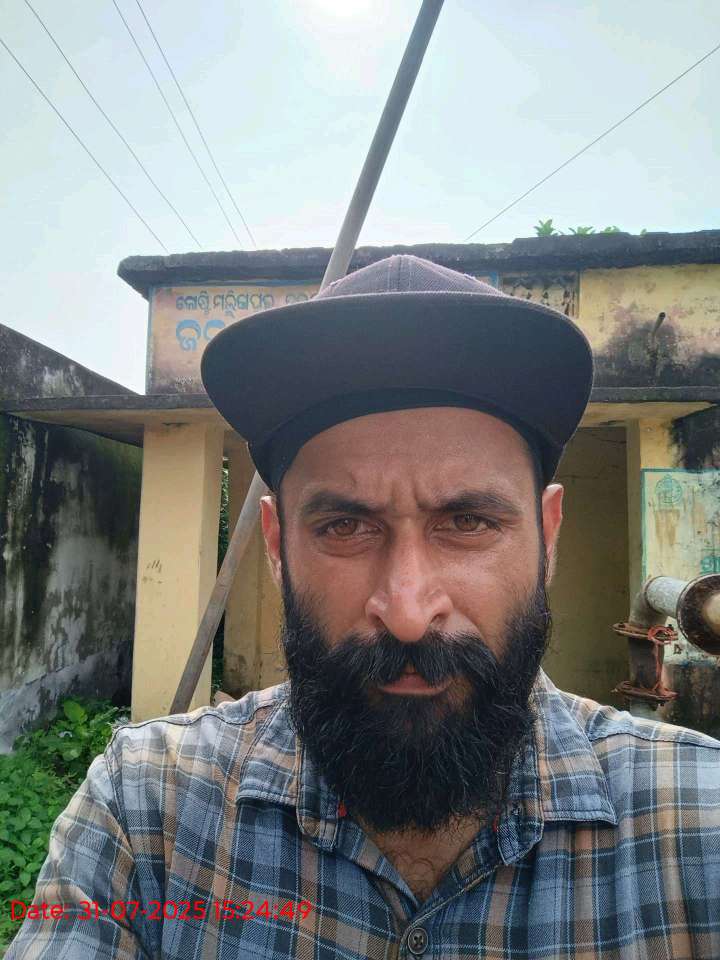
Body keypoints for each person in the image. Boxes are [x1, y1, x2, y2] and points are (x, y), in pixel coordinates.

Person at [7, 255, 720, 960]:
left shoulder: (699, 819)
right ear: (278, 544)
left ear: (548, 535)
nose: (407, 611)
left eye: (468, 522)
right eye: (345, 526)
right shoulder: (147, 808)